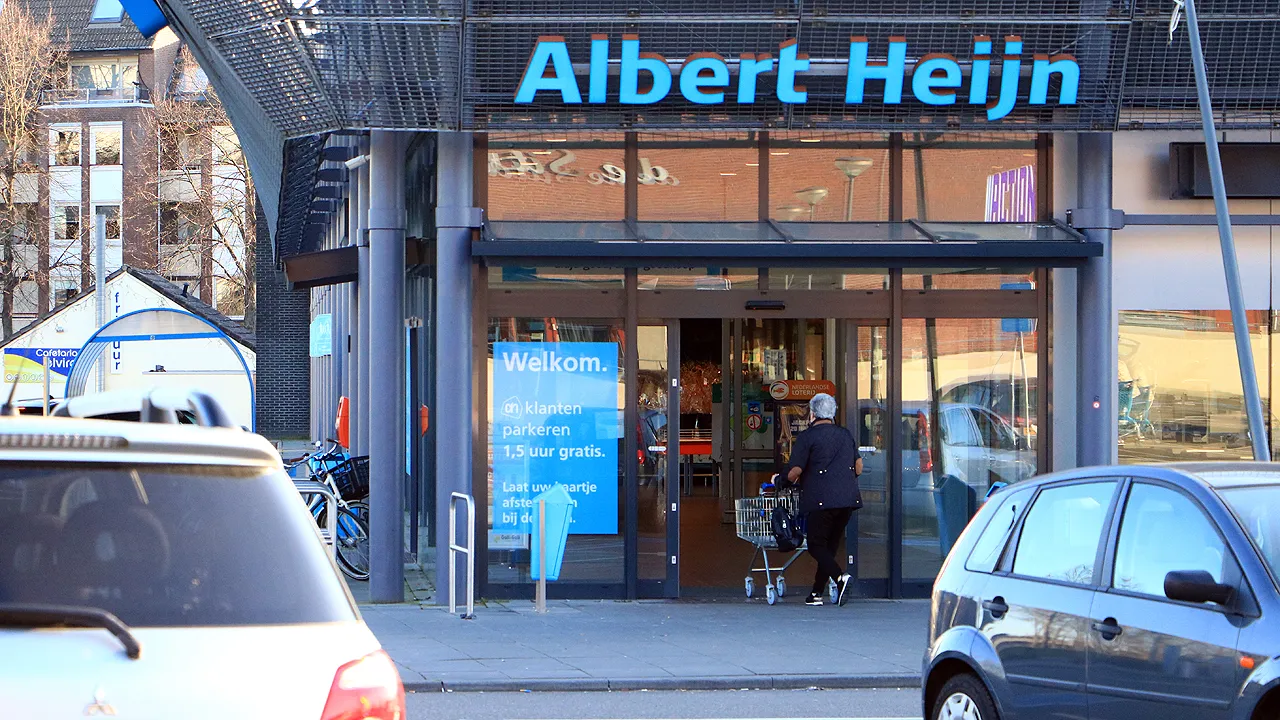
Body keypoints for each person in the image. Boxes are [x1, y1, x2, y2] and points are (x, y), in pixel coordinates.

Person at [773, 393, 863, 607]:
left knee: (815, 546)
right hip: (847, 500)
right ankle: (816, 593)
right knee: (828, 547)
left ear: (812, 413)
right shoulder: (845, 434)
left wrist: (780, 480)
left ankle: (841, 578)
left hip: (820, 500)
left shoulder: (808, 437)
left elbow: (795, 471)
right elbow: (858, 466)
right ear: (832, 413)